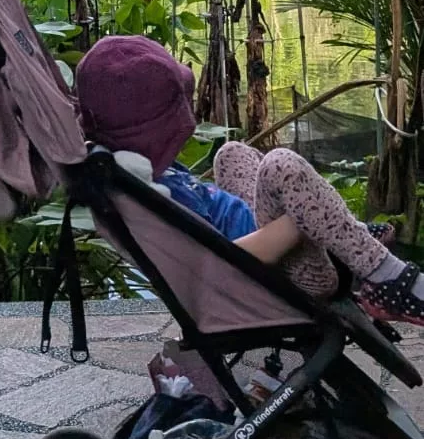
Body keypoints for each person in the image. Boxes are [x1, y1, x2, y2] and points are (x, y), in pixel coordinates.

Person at [75, 35, 424, 327]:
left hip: (254, 240)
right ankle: (386, 277)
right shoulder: (147, 200)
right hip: (276, 275)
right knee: (282, 166)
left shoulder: (125, 170)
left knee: (231, 153)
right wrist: (299, 221)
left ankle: (346, 237)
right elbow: (217, 269)